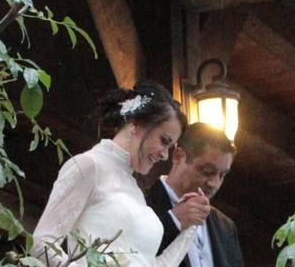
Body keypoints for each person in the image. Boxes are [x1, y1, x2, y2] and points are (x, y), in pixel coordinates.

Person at [32, 81, 211, 266]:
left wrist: (190, 229)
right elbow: (41, 244)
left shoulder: (136, 191)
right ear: (136, 125)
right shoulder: (89, 165)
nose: (165, 155)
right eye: (164, 141)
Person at [146, 123, 244, 267]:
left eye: (222, 175)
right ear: (178, 156)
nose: (214, 183)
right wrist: (173, 221)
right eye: (206, 170)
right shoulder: (140, 202)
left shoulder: (226, 226)